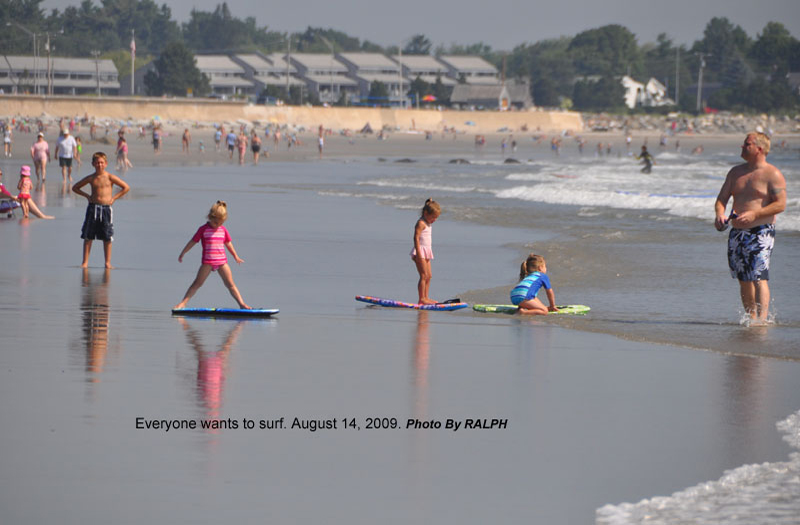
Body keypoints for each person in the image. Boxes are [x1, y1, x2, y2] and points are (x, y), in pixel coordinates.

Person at [714, 132, 787, 323]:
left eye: (747, 144)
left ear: (759, 149)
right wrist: (719, 215)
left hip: (761, 231)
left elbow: (780, 204)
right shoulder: (735, 172)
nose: (742, 147)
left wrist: (755, 214)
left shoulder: (773, 174)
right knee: (743, 278)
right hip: (737, 232)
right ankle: (750, 318)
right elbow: (722, 199)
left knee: (758, 276)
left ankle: (762, 321)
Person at [174, 201, 250, 310]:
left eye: (220, 223)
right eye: (215, 223)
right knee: (197, 283)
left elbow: (228, 243)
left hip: (222, 262)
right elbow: (193, 241)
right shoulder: (203, 229)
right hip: (207, 262)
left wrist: (235, 256)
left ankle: (242, 304)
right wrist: (183, 253)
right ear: (210, 217)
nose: (217, 225)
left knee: (231, 285)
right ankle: (183, 303)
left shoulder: (223, 230)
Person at [72, 152, 130, 269]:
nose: (99, 165)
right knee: (88, 236)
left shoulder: (110, 177)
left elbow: (126, 187)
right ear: (93, 164)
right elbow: (75, 187)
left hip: (106, 209)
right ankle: (85, 262)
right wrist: (87, 196)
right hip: (93, 207)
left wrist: (114, 198)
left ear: (106, 164)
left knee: (107, 236)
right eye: (97, 163)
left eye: (102, 163)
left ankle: (107, 262)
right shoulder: (91, 178)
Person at [410, 199, 441, 305]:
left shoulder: (427, 222)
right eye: (433, 217)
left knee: (429, 275)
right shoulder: (421, 223)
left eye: (436, 218)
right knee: (423, 275)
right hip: (420, 252)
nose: (434, 220)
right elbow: (416, 238)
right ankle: (421, 298)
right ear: (425, 213)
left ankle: (426, 297)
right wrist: (418, 253)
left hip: (426, 251)